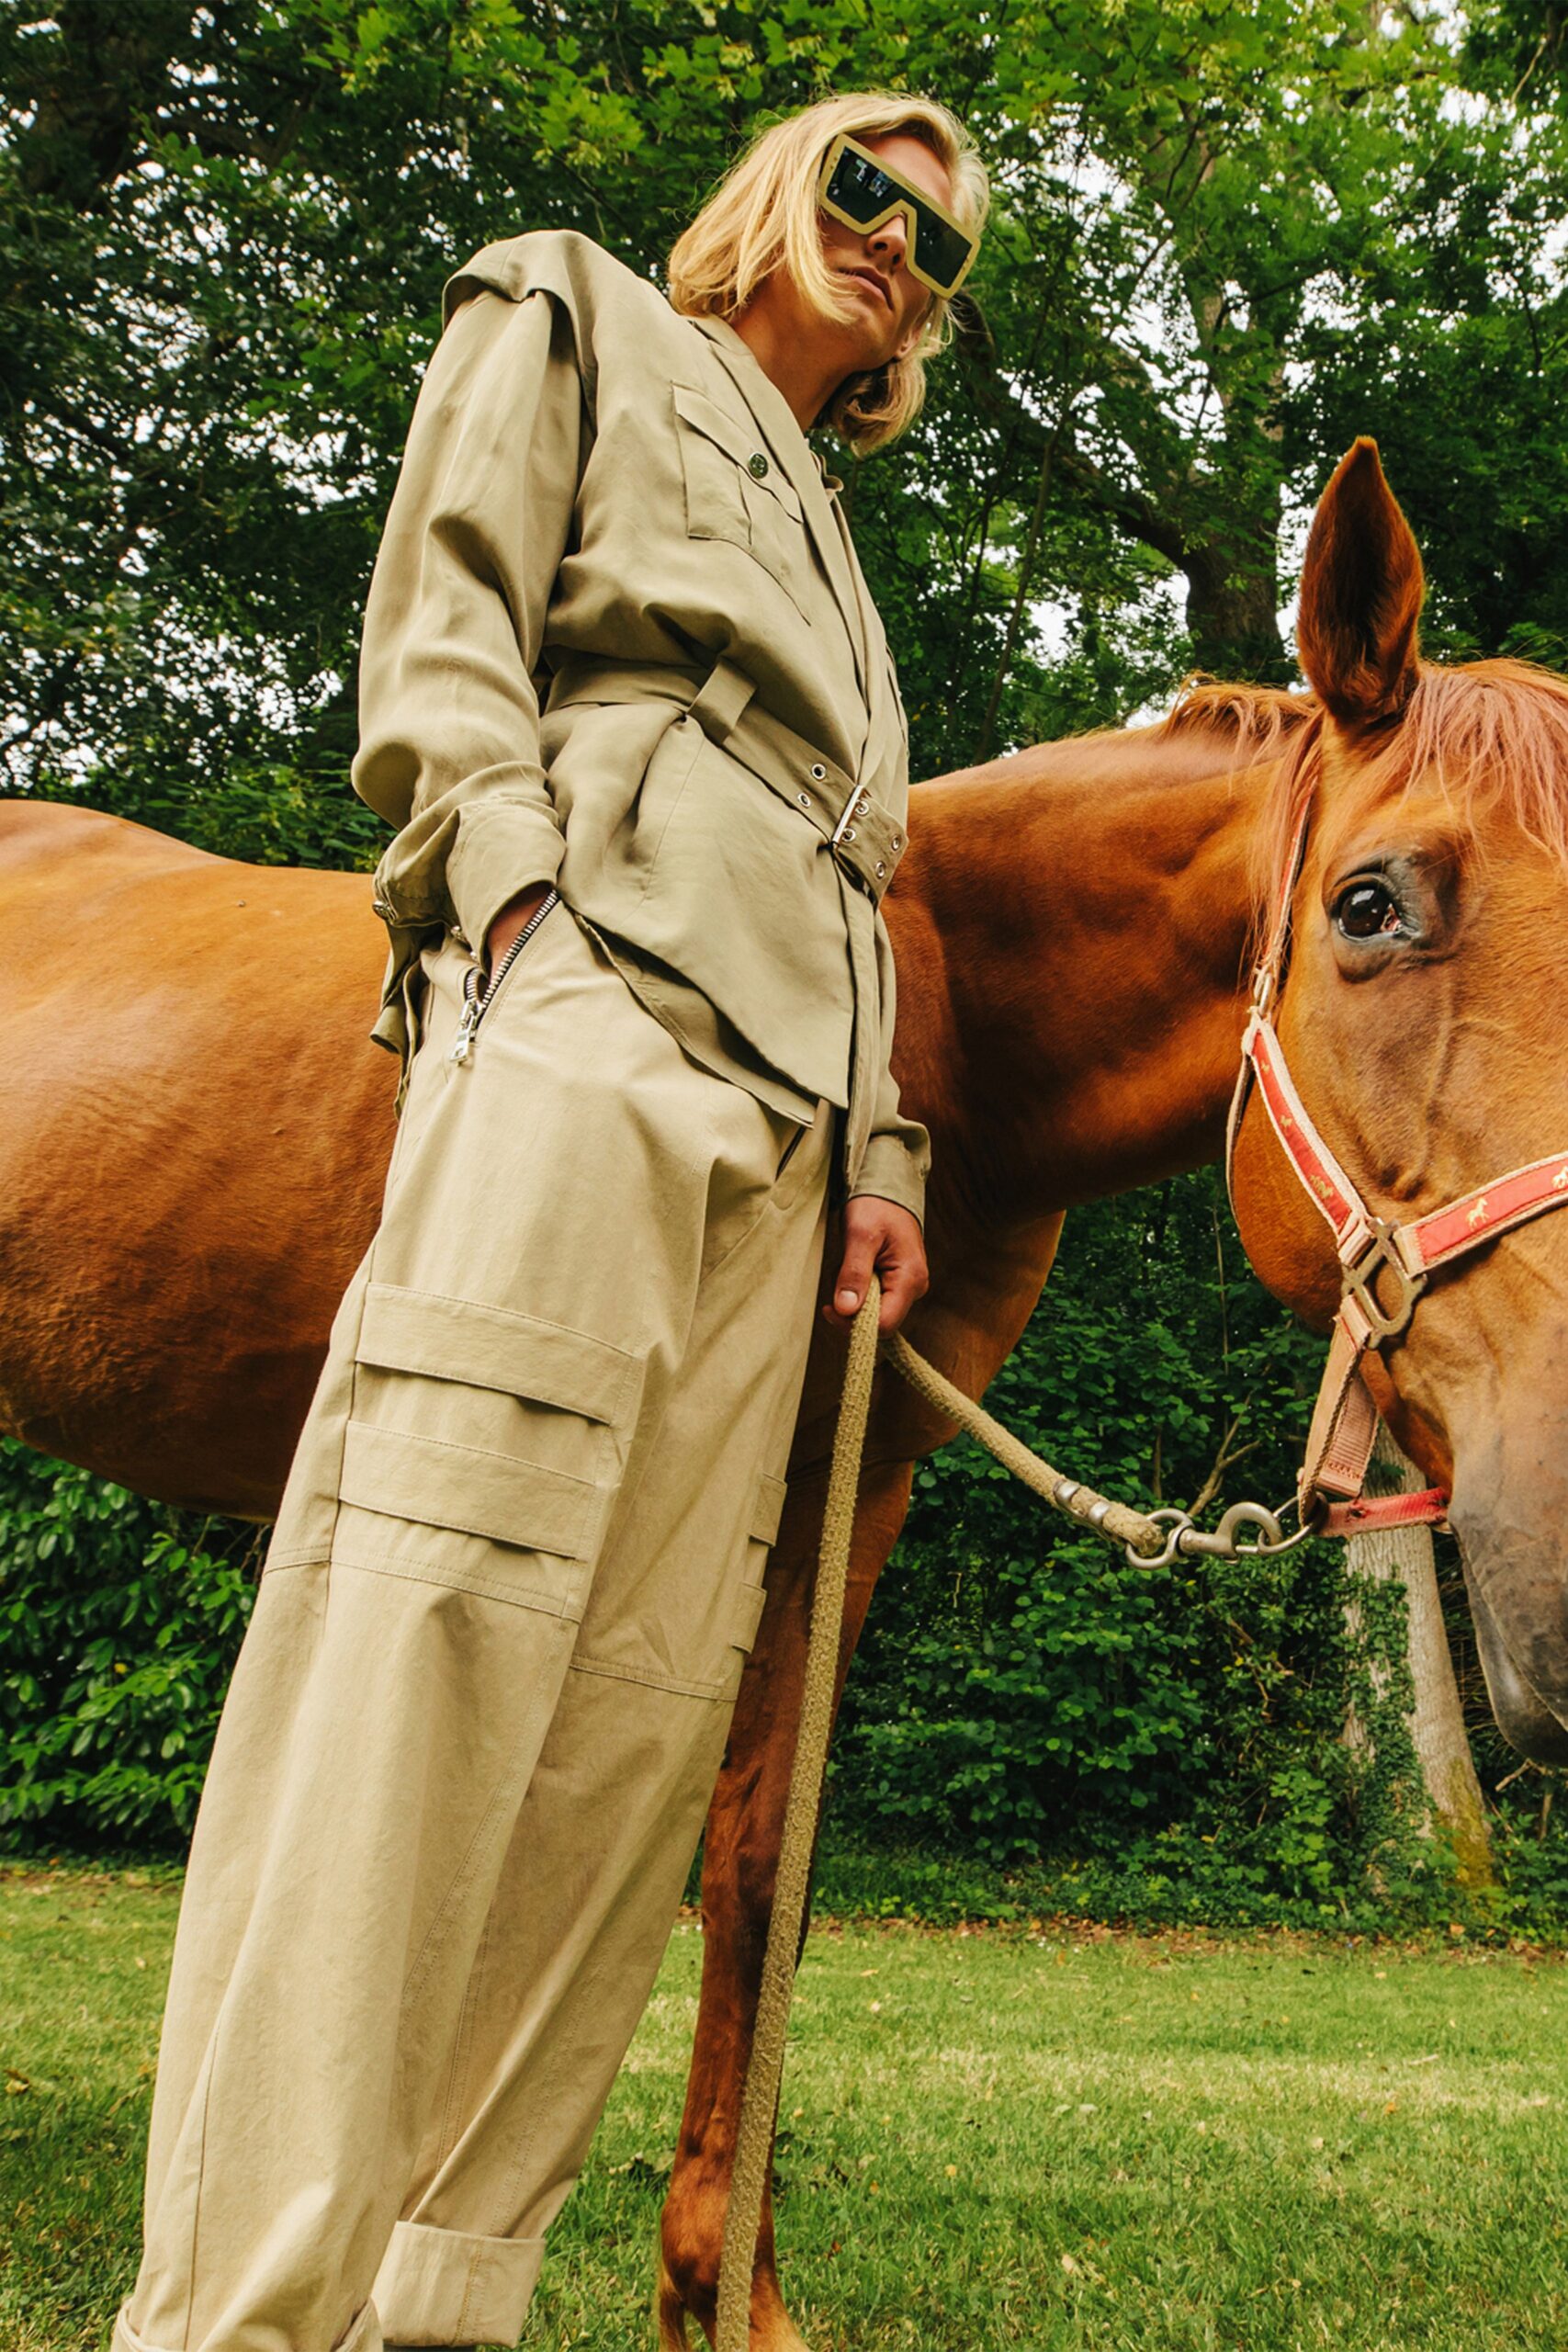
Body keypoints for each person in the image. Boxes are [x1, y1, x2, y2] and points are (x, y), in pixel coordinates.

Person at [113, 89, 987, 2352]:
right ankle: (239, 2311)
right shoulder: (574, 303)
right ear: (779, 192)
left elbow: (868, 886)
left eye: (942, 241)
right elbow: (448, 617)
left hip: (793, 1151)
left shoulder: (853, 584)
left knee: (622, 1740)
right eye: (869, 189)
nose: (899, 241)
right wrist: (512, 927)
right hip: (585, 1009)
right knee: (427, 1641)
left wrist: (884, 1167)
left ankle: (433, 2302)